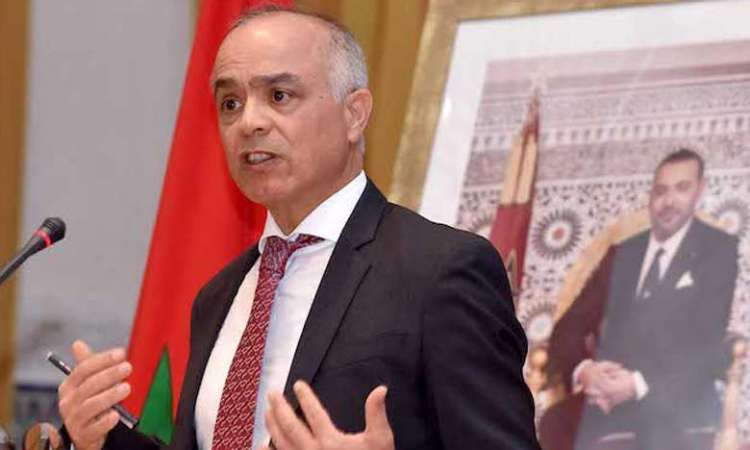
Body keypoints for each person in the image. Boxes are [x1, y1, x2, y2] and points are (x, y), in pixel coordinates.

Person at [56, 6, 540, 450]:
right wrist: (100, 439)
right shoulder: (219, 296)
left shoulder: (439, 272)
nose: (249, 122)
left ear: (355, 114)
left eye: (279, 95)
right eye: (230, 103)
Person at [540, 149, 739, 450]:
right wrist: (586, 372)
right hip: (607, 397)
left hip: (673, 395)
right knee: (555, 421)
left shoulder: (718, 249)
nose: (668, 201)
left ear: (700, 191)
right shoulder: (623, 253)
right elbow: (568, 328)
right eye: (660, 191)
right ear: (650, 197)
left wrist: (637, 384)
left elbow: (707, 341)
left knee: (660, 432)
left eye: (681, 188)